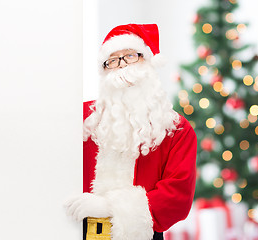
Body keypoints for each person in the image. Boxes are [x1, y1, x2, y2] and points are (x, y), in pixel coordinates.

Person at [65, 23, 197, 240]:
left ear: (148, 62)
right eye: (113, 60)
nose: (122, 66)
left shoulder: (176, 129)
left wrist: (110, 207)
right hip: (74, 231)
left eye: (130, 56)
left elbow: (177, 197)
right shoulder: (83, 118)